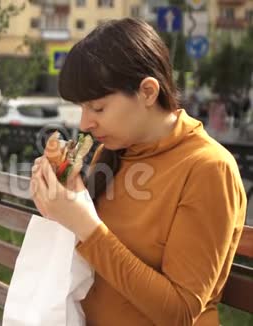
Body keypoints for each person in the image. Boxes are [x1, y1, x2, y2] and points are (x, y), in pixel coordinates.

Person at [30, 18, 247, 325]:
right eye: (82, 108)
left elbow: (180, 312)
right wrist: (58, 204)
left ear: (147, 92)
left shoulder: (208, 169)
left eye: (98, 108)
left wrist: (86, 226)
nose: (84, 124)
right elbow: (89, 255)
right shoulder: (113, 152)